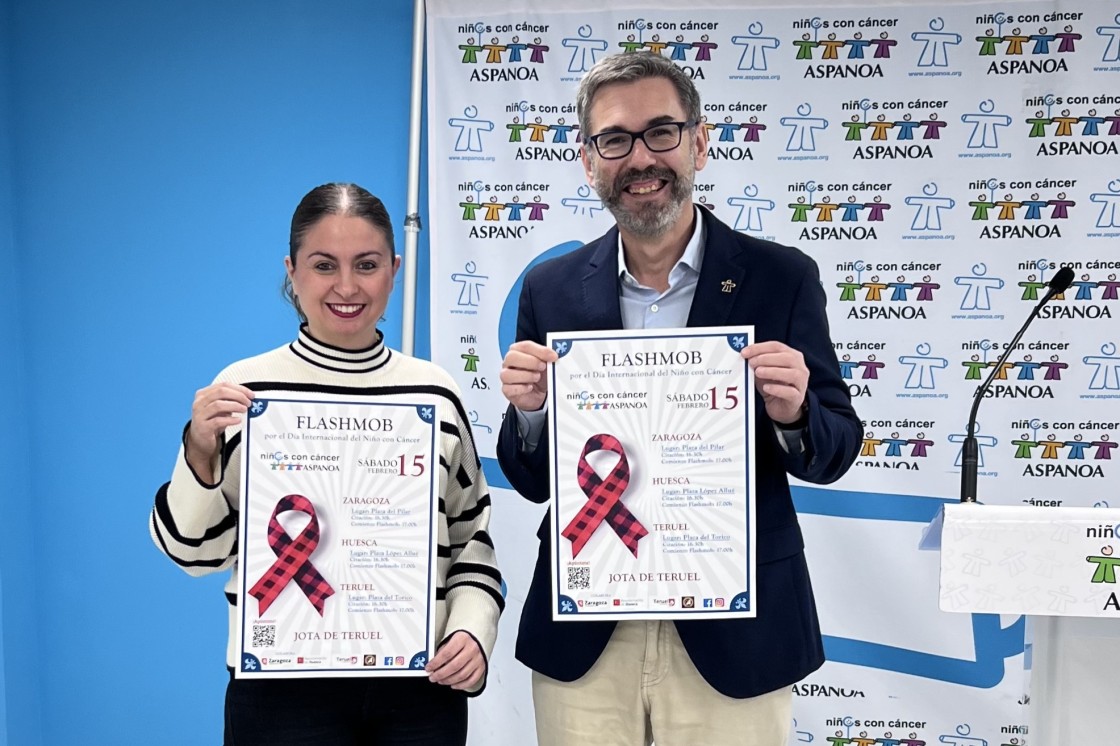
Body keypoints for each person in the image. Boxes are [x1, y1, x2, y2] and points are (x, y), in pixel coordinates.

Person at [496, 53, 861, 746]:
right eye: (615, 139)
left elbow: (835, 447)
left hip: (736, 630)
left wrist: (793, 413)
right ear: (588, 158)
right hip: (588, 632)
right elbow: (527, 477)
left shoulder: (781, 278)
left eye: (660, 132)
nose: (640, 158)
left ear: (698, 141)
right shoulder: (550, 289)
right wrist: (530, 414)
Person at [150, 183, 503, 745]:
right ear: (292, 270)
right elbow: (193, 554)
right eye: (323, 265)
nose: (346, 286)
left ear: (395, 269)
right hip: (281, 689)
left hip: (419, 688)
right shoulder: (243, 391)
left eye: (366, 264)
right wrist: (198, 448)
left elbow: (471, 539)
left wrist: (471, 631)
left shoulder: (435, 395)